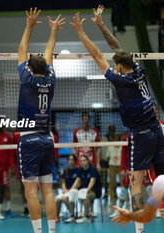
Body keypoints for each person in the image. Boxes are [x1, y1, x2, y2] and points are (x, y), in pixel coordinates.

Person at [71, 5, 164, 233]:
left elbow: (97, 55)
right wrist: (101, 25)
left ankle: (139, 229)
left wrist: (81, 32)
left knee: (136, 182)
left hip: (141, 134)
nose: (113, 67)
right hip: (156, 130)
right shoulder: (139, 70)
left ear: (120, 67)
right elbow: (116, 47)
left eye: (115, 65)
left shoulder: (122, 80)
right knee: (162, 177)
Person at [17, 8, 64, 233]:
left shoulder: (26, 79)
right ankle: (52, 231)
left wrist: (29, 26)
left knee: (31, 192)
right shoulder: (51, 78)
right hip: (47, 139)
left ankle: (37, 231)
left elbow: (21, 49)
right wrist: (53, 30)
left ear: (29, 68)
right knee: (48, 191)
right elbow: (49, 51)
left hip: (29, 140)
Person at [74, 155, 101, 223]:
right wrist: (71, 189)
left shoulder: (93, 169)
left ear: (88, 161)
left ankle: (86, 217)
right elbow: (77, 180)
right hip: (84, 191)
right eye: (81, 161)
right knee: (70, 195)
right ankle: (72, 216)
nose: (82, 162)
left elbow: (92, 182)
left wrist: (85, 191)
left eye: (84, 161)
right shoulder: (80, 170)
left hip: (94, 191)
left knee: (86, 197)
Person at [55, 154, 80, 223]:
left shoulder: (78, 170)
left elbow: (77, 182)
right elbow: (63, 182)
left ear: (75, 161)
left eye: (72, 160)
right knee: (57, 199)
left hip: (75, 191)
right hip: (66, 191)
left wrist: (69, 190)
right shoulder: (66, 170)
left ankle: (72, 216)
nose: (70, 161)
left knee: (65, 198)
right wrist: (64, 189)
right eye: (69, 160)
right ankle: (57, 216)